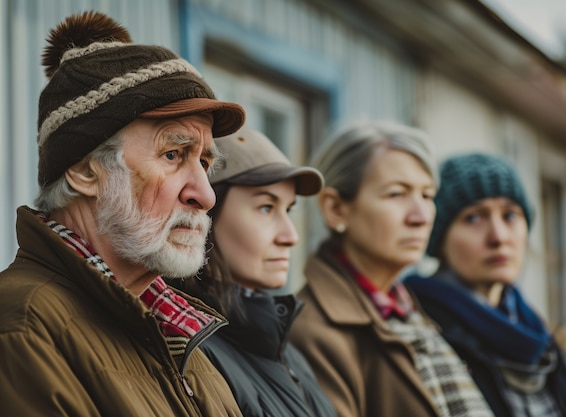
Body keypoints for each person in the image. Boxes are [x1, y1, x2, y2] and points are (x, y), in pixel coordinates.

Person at [0, 11, 247, 417]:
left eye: (204, 162)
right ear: (84, 169)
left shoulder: (180, 341)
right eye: (173, 154)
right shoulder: (22, 328)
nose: (205, 195)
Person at [290, 121, 494, 417]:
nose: (421, 216)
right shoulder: (313, 332)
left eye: (427, 195)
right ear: (335, 208)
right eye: (397, 194)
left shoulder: (408, 310)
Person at [171, 128, 337, 417]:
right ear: (206, 212)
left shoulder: (284, 348)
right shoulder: (189, 350)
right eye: (266, 207)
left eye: (288, 210)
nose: (290, 236)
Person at [404, 153, 566, 417]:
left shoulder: (536, 333)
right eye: (474, 218)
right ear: (438, 237)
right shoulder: (419, 332)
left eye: (510, 216)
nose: (498, 237)